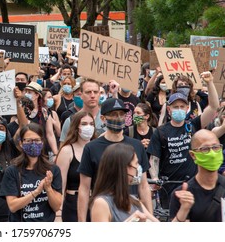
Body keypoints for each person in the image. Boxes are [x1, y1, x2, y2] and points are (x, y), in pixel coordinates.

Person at [148, 71, 219, 209]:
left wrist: (210, 83)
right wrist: (155, 179)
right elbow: (154, 159)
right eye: (175, 107)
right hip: (169, 188)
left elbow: (213, 107)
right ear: (169, 109)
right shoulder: (160, 132)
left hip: (192, 185)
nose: (179, 109)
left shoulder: (193, 125)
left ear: (187, 108)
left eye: (182, 107)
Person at [77, 98, 152, 222]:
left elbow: (143, 186)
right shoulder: (91, 148)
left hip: (132, 209)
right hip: (104, 211)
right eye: (113, 114)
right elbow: (84, 188)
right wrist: (82, 221)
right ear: (103, 119)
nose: (118, 118)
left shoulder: (137, 146)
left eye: (122, 114)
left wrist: (149, 216)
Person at [0, 123, 62, 222]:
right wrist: (36, 192)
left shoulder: (53, 170)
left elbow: (56, 206)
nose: (33, 144)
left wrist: (48, 188)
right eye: (28, 141)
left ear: (42, 142)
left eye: (37, 140)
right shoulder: (12, 171)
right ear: (21, 143)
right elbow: (12, 206)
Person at [90, 144, 159, 222]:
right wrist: (132, 220)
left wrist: (176, 218)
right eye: (136, 163)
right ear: (124, 168)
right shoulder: (102, 203)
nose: (138, 168)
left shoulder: (134, 200)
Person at [170, 129, 225, 222]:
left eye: (216, 147)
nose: (212, 154)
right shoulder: (182, 195)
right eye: (205, 149)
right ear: (193, 155)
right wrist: (184, 209)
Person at [55, 111, 96, 222]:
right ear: (76, 127)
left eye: (91, 124)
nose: (89, 127)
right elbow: (60, 185)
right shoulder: (67, 151)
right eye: (84, 124)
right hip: (73, 204)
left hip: (97, 203)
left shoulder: (98, 148)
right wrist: (58, 213)